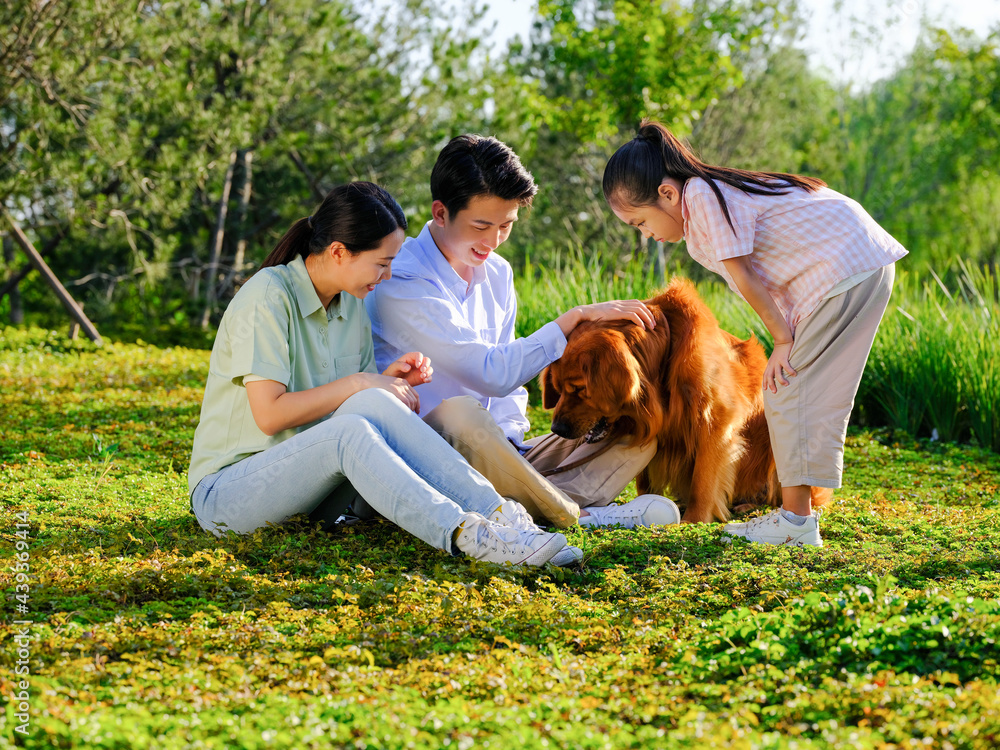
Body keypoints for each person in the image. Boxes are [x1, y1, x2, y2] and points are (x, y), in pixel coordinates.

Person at [188, 181, 580, 567]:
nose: (388, 276)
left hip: (314, 495)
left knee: (372, 403)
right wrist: (361, 382)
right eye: (382, 263)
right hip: (228, 495)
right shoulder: (269, 295)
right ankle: (469, 536)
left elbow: (352, 405)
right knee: (353, 425)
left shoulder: (350, 304)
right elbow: (270, 415)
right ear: (339, 252)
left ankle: (500, 514)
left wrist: (386, 380)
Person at [602, 120, 907, 547]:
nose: (646, 234)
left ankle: (796, 524)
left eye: (640, 222)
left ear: (667, 194)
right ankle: (797, 518)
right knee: (802, 392)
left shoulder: (701, 197)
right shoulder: (706, 202)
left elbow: (746, 276)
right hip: (854, 266)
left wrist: (783, 340)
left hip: (845, 269)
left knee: (785, 389)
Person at [365, 134, 681, 530]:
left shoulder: (497, 272)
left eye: (506, 225)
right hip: (429, 449)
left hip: (496, 451)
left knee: (632, 428)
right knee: (461, 414)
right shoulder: (402, 277)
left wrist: (513, 445)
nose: (493, 241)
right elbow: (491, 373)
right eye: (481, 226)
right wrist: (572, 320)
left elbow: (509, 381)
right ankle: (577, 515)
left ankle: (523, 500)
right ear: (441, 213)